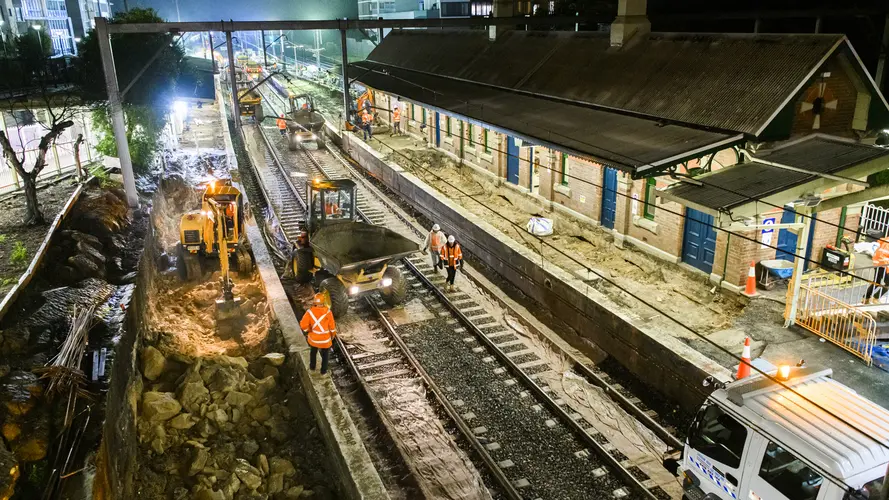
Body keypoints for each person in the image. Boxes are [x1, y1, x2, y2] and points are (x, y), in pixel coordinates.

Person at [299, 293, 337, 374]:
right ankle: (323, 371)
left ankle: (312, 367)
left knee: (313, 352)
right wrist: (333, 334)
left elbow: (303, 325)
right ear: (323, 302)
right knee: (325, 355)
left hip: (314, 339)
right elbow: (332, 326)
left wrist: (309, 330)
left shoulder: (309, 312)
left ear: (314, 302)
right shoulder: (328, 312)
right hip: (325, 340)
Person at [866, 236, 889, 303]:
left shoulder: (886, 241)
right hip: (883, 265)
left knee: (876, 282)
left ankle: (866, 298)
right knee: (887, 283)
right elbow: (883, 254)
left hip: (878, 264)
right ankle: (875, 298)